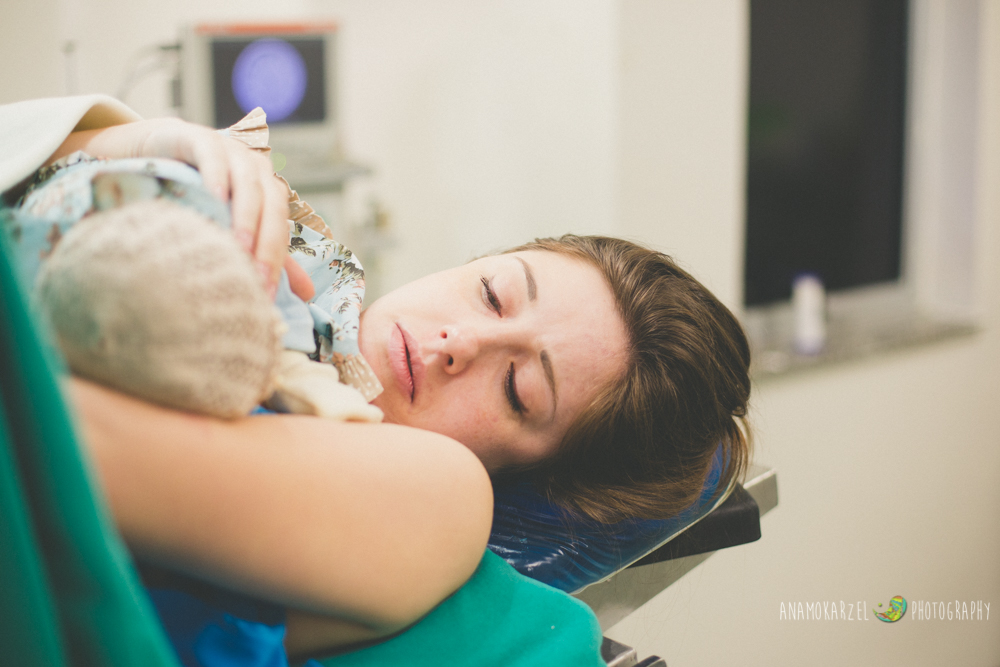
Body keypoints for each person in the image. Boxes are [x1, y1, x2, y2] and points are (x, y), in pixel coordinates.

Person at [1, 95, 751, 662]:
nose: (461, 341)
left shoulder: (440, 501)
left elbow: (49, 438)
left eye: (519, 390)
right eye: (492, 292)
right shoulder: (286, 268)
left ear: (532, 484)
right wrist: (151, 142)